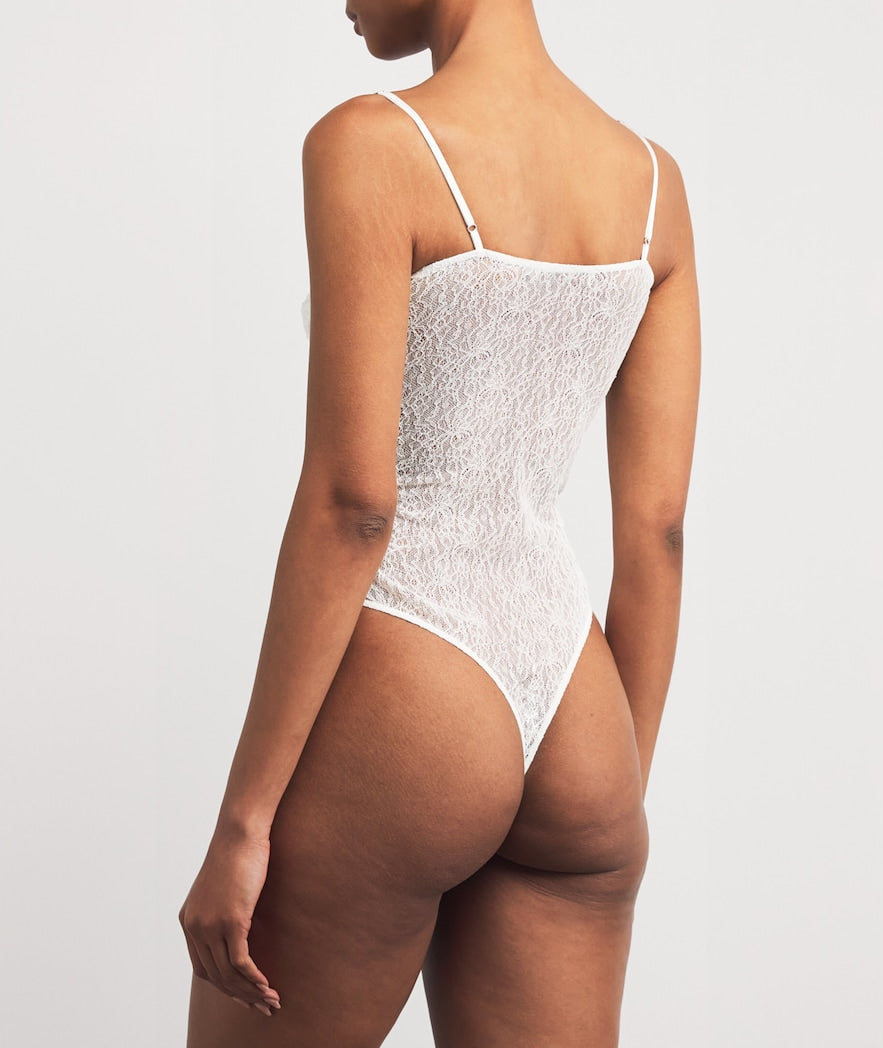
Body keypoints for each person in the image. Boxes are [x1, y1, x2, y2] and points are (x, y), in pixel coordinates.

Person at [178, 0, 700, 1044]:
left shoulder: (372, 143)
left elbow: (355, 506)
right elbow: (658, 534)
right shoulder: (653, 184)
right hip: (579, 712)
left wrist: (243, 823)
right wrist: (609, 799)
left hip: (417, 682)